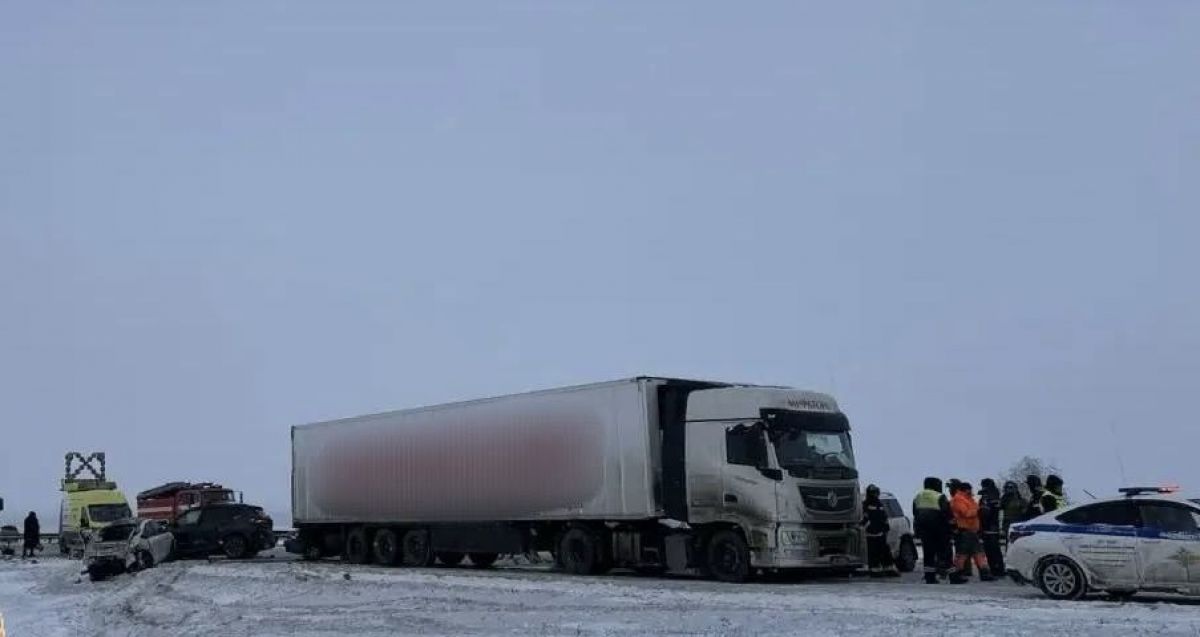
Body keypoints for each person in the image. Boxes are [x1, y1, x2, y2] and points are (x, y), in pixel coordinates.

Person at [913, 477, 955, 584]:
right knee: (946, 554)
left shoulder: (918, 496)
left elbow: (915, 514)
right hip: (940, 530)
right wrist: (953, 528)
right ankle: (953, 577)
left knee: (928, 555)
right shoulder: (939, 496)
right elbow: (948, 514)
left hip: (924, 531)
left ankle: (929, 577)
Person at [950, 482, 992, 581]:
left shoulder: (969, 499)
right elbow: (965, 513)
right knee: (964, 553)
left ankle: (984, 572)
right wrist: (978, 510)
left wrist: (979, 510)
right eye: (969, 489)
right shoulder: (958, 499)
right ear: (965, 490)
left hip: (972, 530)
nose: (971, 491)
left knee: (977, 552)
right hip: (964, 529)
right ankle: (958, 573)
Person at [861, 484, 899, 577]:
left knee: (885, 551)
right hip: (870, 534)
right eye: (873, 493)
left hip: (881, 533)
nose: (875, 494)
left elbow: (884, 516)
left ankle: (889, 569)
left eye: (876, 492)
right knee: (873, 553)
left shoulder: (879, 504)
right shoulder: (865, 504)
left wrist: (886, 526)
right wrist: (866, 527)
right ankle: (875, 571)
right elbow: (864, 518)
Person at [977, 479, 1005, 577]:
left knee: (991, 550)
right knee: (996, 550)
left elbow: (985, 514)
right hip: (994, 527)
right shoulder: (996, 496)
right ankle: (999, 569)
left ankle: (995, 569)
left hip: (988, 527)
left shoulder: (987, 497)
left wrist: (980, 526)